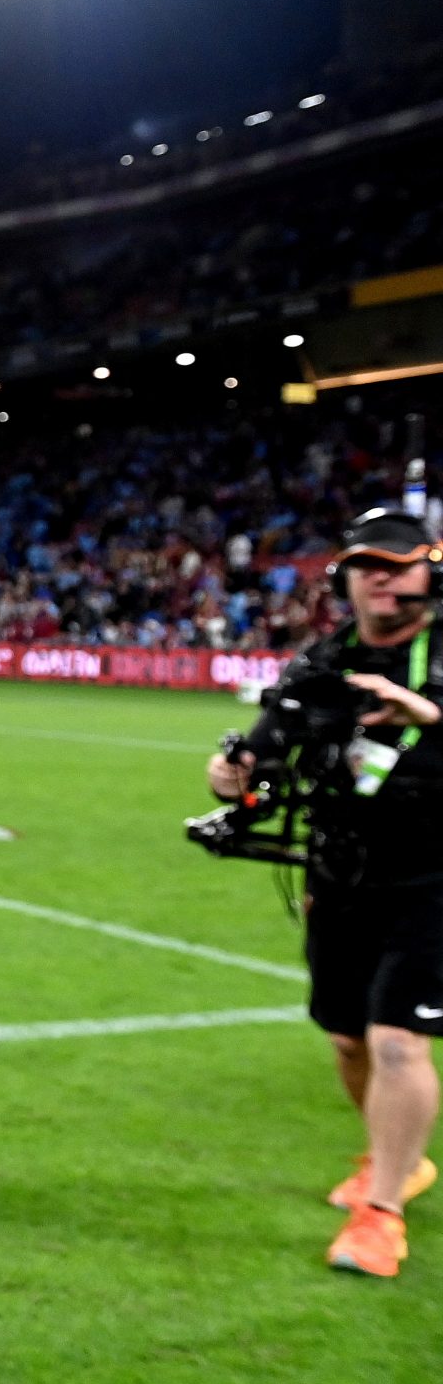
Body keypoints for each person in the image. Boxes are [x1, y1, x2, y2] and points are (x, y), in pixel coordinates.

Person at [208, 506, 443, 1279]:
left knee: (398, 1038)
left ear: (430, 575)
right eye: (366, 565)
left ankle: (382, 1215)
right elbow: (263, 755)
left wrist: (430, 717)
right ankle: (397, 1157)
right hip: (340, 873)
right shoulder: (322, 662)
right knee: (348, 1038)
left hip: (432, 874)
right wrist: (233, 778)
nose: (381, 579)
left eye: (398, 566)